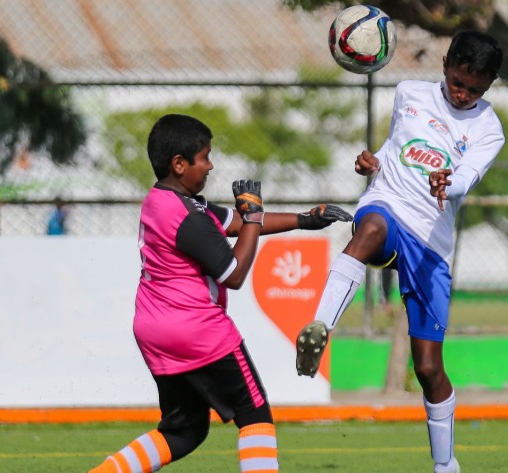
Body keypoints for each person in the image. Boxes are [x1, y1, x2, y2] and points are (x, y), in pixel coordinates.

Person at [89, 114, 352, 473]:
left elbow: (238, 222)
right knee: (254, 413)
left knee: (185, 429)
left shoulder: (164, 200)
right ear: (179, 164)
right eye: (205, 157)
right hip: (197, 331)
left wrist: (304, 219)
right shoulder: (188, 216)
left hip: (155, 330)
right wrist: (255, 217)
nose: (211, 165)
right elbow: (235, 273)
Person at [294, 30, 504, 473]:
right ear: (445, 64)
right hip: (386, 207)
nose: (463, 93)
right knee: (368, 227)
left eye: (474, 89)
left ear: (489, 87)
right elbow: (394, 150)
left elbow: (468, 174)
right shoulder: (408, 92)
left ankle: (445, 464)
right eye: (457, 81)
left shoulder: (488, 127)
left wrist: (451, 181)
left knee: (428, 369)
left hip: (430, 242)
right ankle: (320, 325)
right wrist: (373, 164)